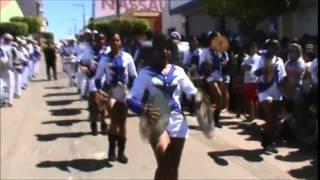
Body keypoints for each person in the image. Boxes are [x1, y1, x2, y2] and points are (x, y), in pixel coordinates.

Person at [127, 34, 198, 180]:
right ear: (154, 51)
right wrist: (143, 109)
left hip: (178, 122)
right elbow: (131, 98)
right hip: (157, 121)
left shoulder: (179, 71)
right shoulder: (145, 73)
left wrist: (203, 103)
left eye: (167, 48)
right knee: (165, 162)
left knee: (173, 167)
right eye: (160, 48)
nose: (164, 51)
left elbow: (192, 93)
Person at [95, 32, 137, 164]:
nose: (115, 43)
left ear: (120, 42)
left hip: (124, 94)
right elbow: (97, 78)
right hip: (111, 93)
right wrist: (100, 91)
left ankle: (121, 152)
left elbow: (133, 76)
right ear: (109, 43)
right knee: (114, 121)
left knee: (122, 123)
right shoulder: (104, 59)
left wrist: (133, 92)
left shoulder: (127, 57)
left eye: (117, 40)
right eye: (112, 41)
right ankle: (111, 150)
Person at [253, 39, 287, 153]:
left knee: (274, 118)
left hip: (277, 91)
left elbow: (282, 77)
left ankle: (269, 141)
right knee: (270, 108)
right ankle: (268, 139)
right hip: (264, 89)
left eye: (277, 47)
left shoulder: (280, 60)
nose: (275, 49)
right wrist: (266, 69)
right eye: (273, 47)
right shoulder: (261, 58)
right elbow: (255, 72)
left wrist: (287, 87)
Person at [199, 31, 228, 128]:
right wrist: (207, 68)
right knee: (218, 96)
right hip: (209, 77)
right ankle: (215, 120)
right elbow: (201, 67)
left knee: (223, 99)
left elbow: (223, 63)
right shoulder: (205, 52)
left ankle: (213, 116)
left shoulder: (219, 52)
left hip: (218, 76)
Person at [241, 41, 260, 121]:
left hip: (255, 80)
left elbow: (254, 68)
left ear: (256, 49)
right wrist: (248, 67)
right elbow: (242, 68)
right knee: (249, 99)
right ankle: (252, 115)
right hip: (247, 81)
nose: (252, 49)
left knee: (255, 99)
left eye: (254, 47)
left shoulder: (258, 58)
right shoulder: (246, 58)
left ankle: (254, 115)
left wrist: (249, 67)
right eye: (251, 47)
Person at [0, 33, 15, 107]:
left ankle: (4, 100)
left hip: (3, 69)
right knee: (10, 85)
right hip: (8, 68)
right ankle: (9, 100)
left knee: (3, 85)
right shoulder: (11, 48)